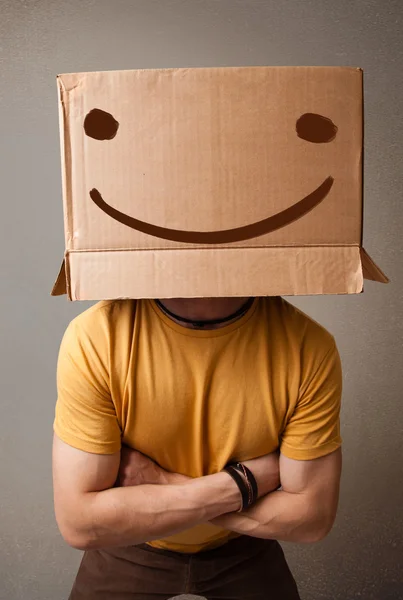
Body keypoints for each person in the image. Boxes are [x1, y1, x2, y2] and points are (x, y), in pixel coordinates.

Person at [53, 295, 342, 599]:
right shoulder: (97, 335)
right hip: (130, 543)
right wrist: (246, 484)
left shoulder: (308, 346)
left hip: (243, 545)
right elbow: (80, 523)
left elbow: (312, 519)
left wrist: (166, 482)